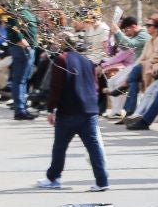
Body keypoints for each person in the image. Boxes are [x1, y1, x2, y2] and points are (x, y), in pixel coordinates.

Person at [34, 33, 110, 191]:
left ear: (63, 45)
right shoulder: (88, 61)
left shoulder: (61, 60)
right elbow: (95, 86)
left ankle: (53, 178)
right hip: (89, 110)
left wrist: (50, 109)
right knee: (93, 147)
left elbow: (56, 88)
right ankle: (102, 181)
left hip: (69, 110)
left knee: (60, 146)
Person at [2, 3, 39, 120]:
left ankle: (22, 108)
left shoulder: (25, 8)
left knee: (23, 79)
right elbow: (13, 25)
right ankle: (20, 110)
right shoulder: (15, 7)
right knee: (19, 80)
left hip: (28, 47)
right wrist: (21, 40)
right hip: (22, 48)